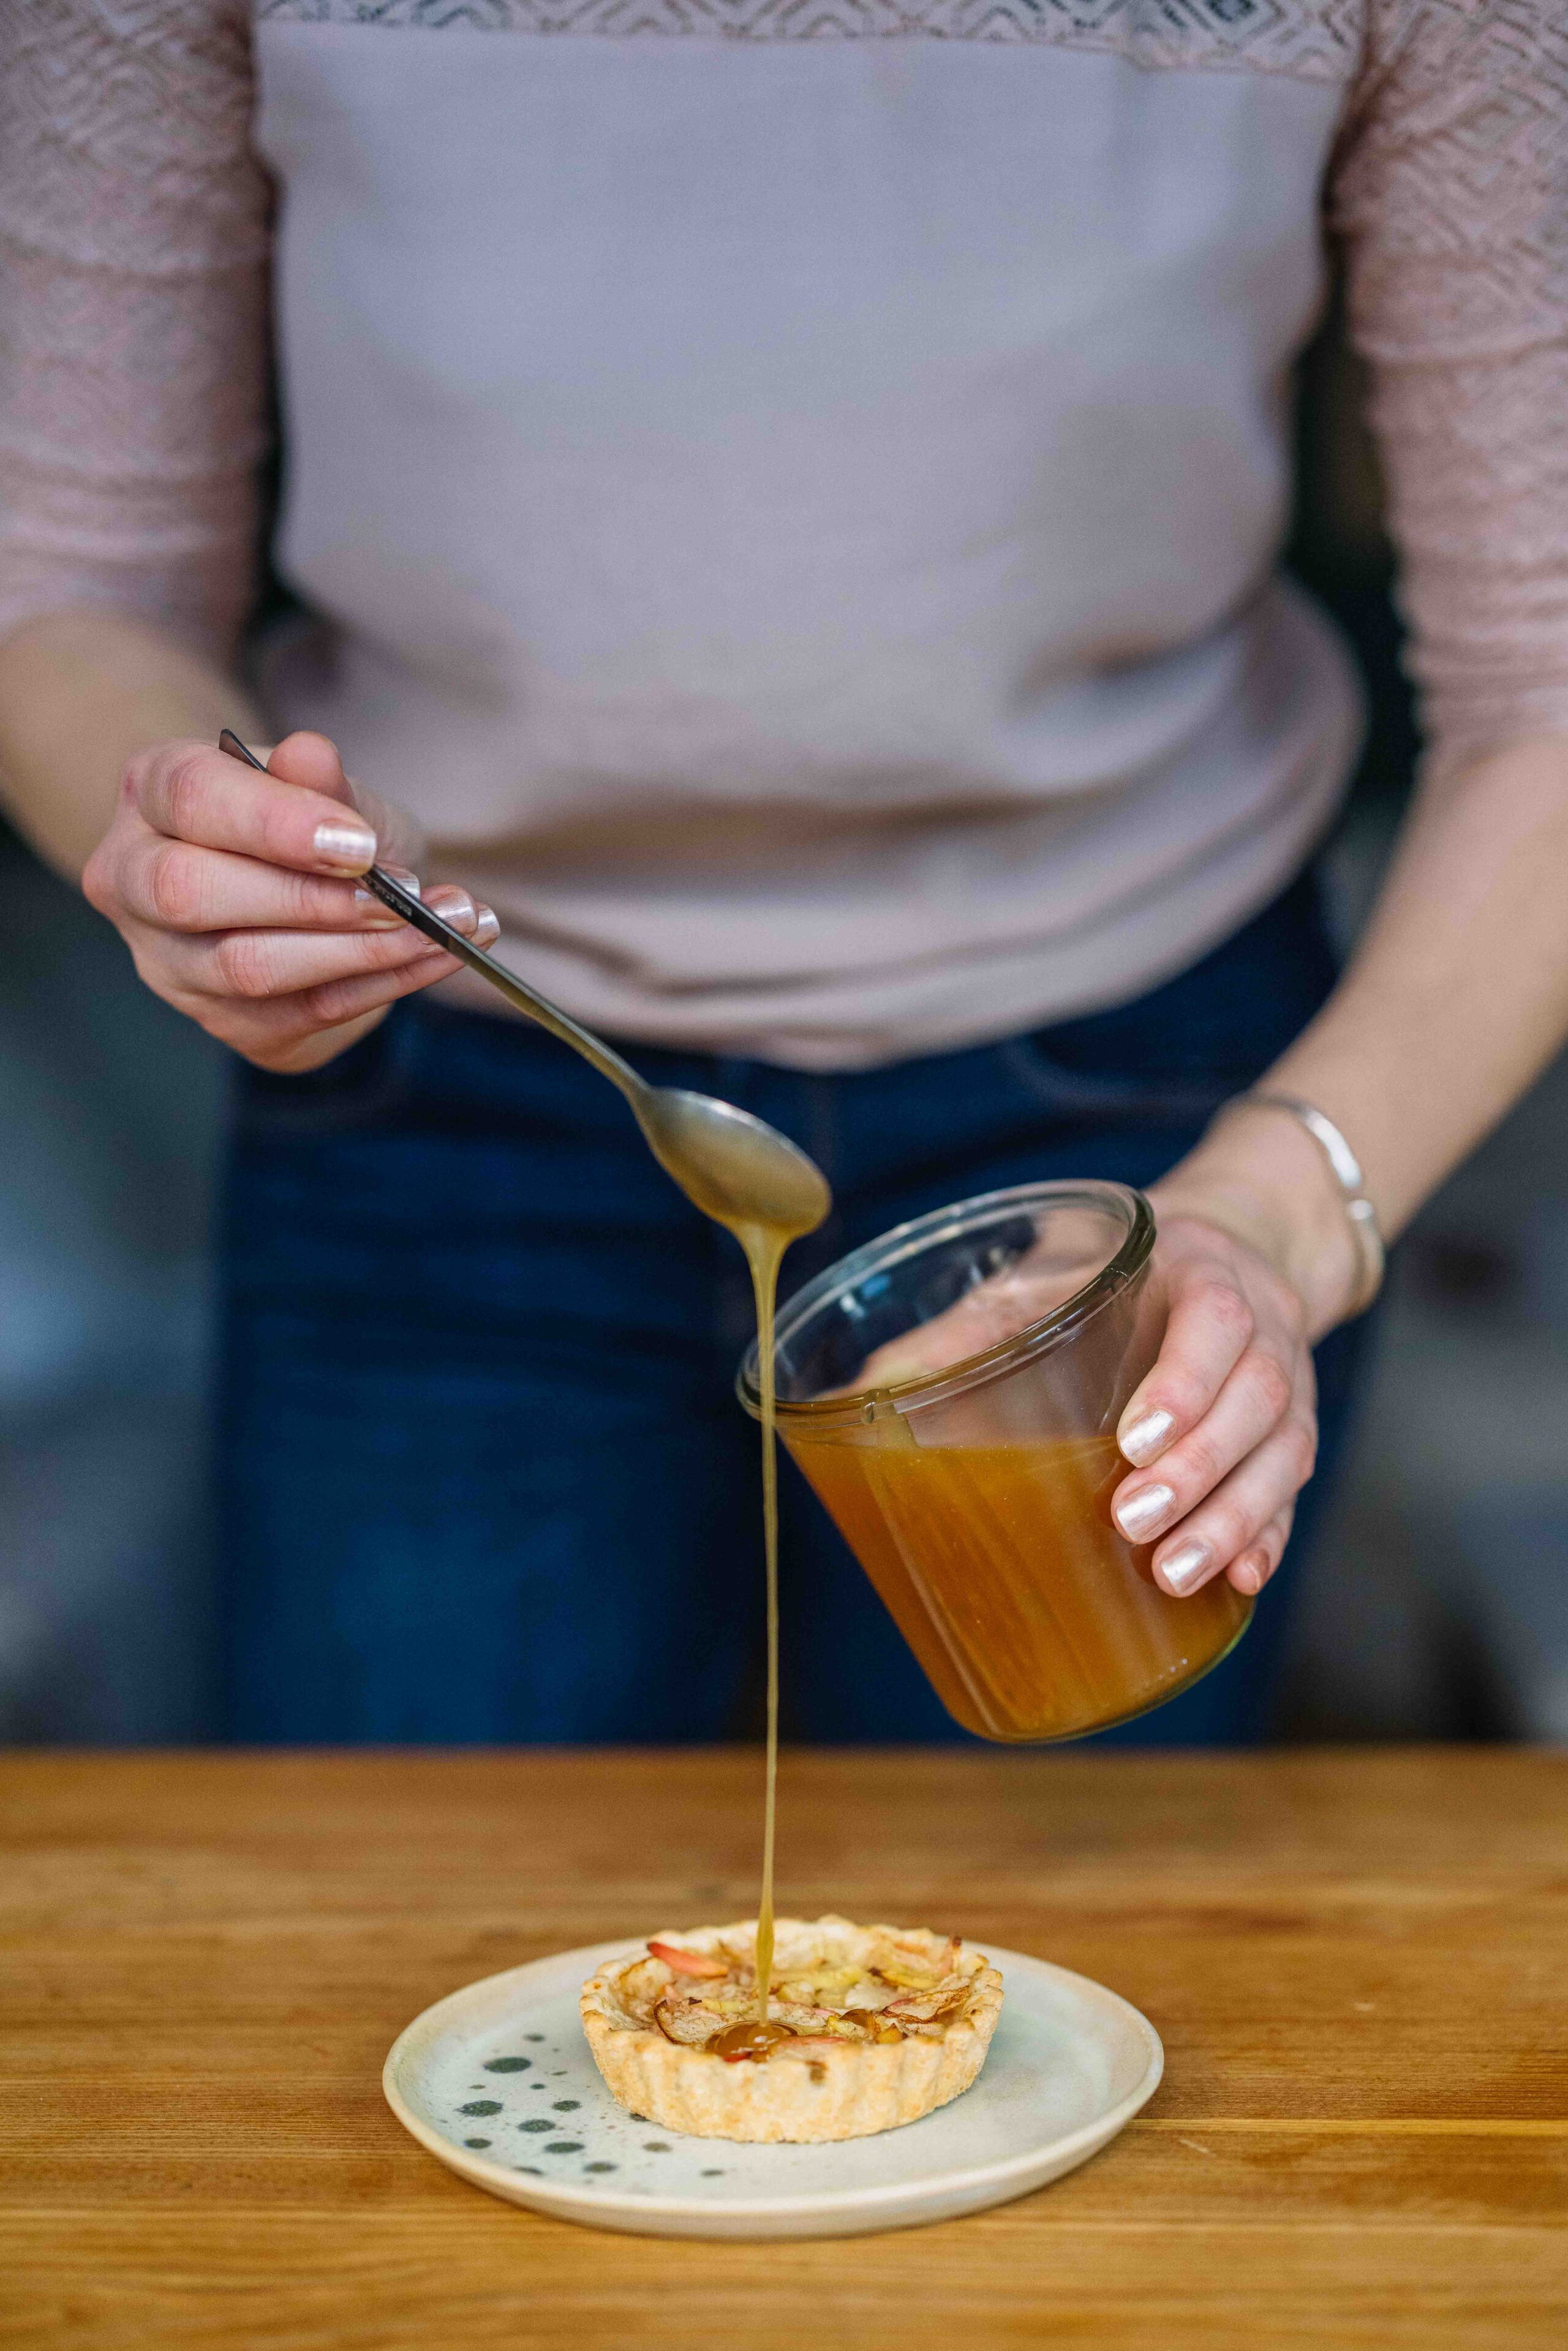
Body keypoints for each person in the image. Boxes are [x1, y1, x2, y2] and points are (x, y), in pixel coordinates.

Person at [1, 1, 1564, 1744]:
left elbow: (1549, 693)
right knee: (414, 1895)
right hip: (442, 1099)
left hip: (1135, 1119)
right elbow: (72, 581)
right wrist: (193, 833)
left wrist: (1263, 1221)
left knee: (1062, 1888)